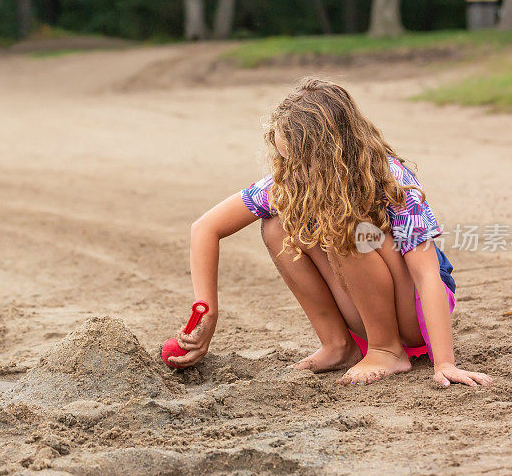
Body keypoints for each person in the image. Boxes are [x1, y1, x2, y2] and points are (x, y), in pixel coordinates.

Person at [167, 78, 492, 387]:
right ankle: (338, 345)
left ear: (331, 153)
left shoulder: (390, 178)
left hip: (416, 309)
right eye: (285, 159)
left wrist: (445, 362)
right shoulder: (294, 180)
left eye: (300, 161)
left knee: (348, 227)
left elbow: (427, 276)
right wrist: (207, 314)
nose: (291, 170)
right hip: (365, 305)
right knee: (277, 224)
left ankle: (387, 350)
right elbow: (205, 228)